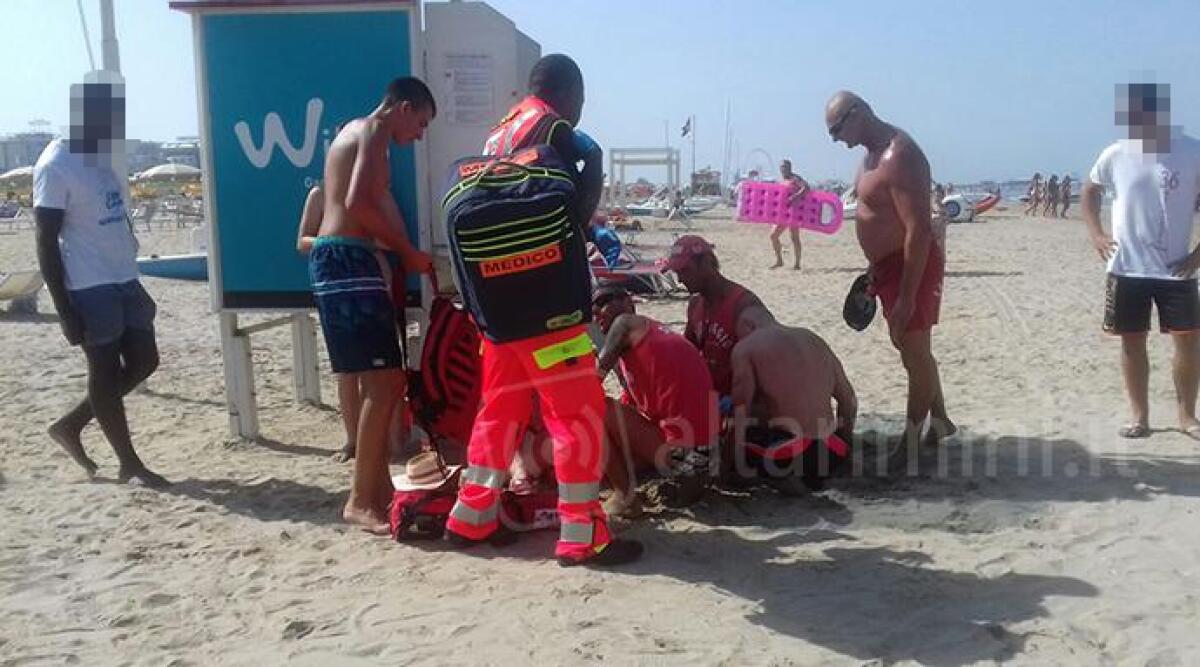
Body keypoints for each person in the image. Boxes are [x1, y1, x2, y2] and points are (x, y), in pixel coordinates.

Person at [445, 54, 642, 567]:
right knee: (575, 415)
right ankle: (583, 535)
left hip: (498, 311)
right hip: (548, 304)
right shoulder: (554, 129)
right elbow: (576, 213)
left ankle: (471, 518)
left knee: (499, 412)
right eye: (582, 100)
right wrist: (592, 162)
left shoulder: (499, 133)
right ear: (569, 93)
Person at [310, 77, 436, 533]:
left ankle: (377, 489)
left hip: (340, 261)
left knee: (378, 382)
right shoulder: (375, 129)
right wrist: (406, 252)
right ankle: (361, 499)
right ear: (403, 108)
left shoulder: (357, 130)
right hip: (348, 261)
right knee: (384, 383)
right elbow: (358, 204)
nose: (418, 135)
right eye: (421, 123)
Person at [34, 71, 167, 488]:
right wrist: (64, 309)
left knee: (145, 360)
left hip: (123, 276)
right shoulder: (56, 165)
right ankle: (129, 463)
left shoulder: (97, 156)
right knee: (104, 370)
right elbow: (45, 239)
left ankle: (71, 425)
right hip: (88, 284)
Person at [825, 91, 954, 450]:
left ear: (857, 113)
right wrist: (873, 269)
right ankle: (940, 420)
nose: (836, 140)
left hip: (911, 264)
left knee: (914, 351)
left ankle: (910, 443)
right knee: (909, 346)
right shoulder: (871, 156)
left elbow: (918, 230)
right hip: (886, 267)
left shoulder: (900, 156)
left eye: (836, 130)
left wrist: (908, 298)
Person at [1082, 82, 1200, 440]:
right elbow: (1090, 189)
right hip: (1126, 267)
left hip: (1177, 269)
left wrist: (1198, 254)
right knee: (1132, 342)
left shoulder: (1191, 151)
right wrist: (1096, 234)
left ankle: (1187, 417)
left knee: (1188, 342)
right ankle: (1139, 416)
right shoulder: (1116, 154)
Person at [592, 284, 718, 518]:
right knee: (603, 460)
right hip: (704, 460)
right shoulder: (649, 337)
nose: (597, 311)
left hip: (686, 456)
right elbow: (630, 408)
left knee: (594, 407)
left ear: (628, 302)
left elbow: (591, 384)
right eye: (593, 308)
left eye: (603, 301)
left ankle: (625, 497)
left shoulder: (625, 324)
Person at [729, 306, 856, 486]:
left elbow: (740, 413)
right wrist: (846, 445)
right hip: (832, 449)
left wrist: (725, 463)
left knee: (729, 453)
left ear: (748, 326)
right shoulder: (813, 339)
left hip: (788, 454)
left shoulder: (746, 347)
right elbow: (849, 401)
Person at [664, 235, 765, 400]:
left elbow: (763, 365)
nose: (680, 279)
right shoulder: (695, 305)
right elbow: (688, 354)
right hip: (710, 397)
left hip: (740, 401)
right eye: (677, 273)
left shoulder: (743, 305)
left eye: (685, 270)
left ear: (706, 263)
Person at [770, 159, 809, 270]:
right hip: (783, 212)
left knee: (794, 238)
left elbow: (806, 187)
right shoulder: (782, 181)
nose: (783, 169)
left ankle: (797, 264)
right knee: (773, 236)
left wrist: (795, 196)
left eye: (785, 167)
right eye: (781, 167)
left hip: (794, 212)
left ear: (790, 168)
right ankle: (779, 261)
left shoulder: (795, 178)